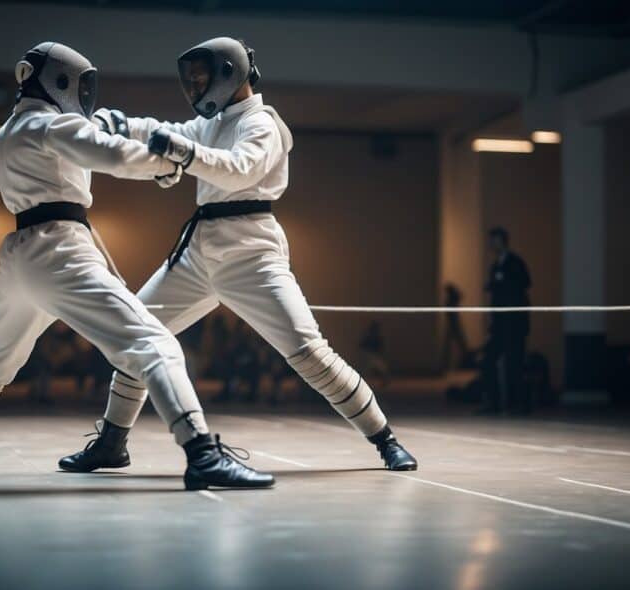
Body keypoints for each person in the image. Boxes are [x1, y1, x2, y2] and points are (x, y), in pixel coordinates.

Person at [0, 42, 272, 491]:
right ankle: (201, 455)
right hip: (58, 250)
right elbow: (112, 154)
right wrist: (166, 162)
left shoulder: (10, 130)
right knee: (154, 342)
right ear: (62, 80)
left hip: (21, 253)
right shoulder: (48, 125)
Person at [60, 37, 416, 472]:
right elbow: (165, 131)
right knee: (138, 335)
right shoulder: (211, 124)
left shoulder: (263, 123)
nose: (193, 86)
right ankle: (112, 443)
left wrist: (183, 153)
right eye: (190, 79)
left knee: (307, 350)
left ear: (228, 72)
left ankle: (385, 439)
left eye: (200, 77)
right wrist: (118, 124)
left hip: (253, 252)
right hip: (199, 252)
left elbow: (238, 170)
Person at [479, 227, 531, 415]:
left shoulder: (515, 262)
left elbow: (524, 283)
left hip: (515, 323)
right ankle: (492, 403)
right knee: (488, 360)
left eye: (495, 240)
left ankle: (518, 405)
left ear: (503, 241)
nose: (492, 244)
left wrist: (500, 284)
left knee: (514, 364)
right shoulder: (495, 265)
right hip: (499, 325)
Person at [440, 283, 468, 373]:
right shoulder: (453, 299)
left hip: (453, 324)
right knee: (458, 344)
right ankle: (447, 365)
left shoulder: (452, 300)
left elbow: (450, 313)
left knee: (458, 344)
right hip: (453, 324)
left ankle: (463, 362)